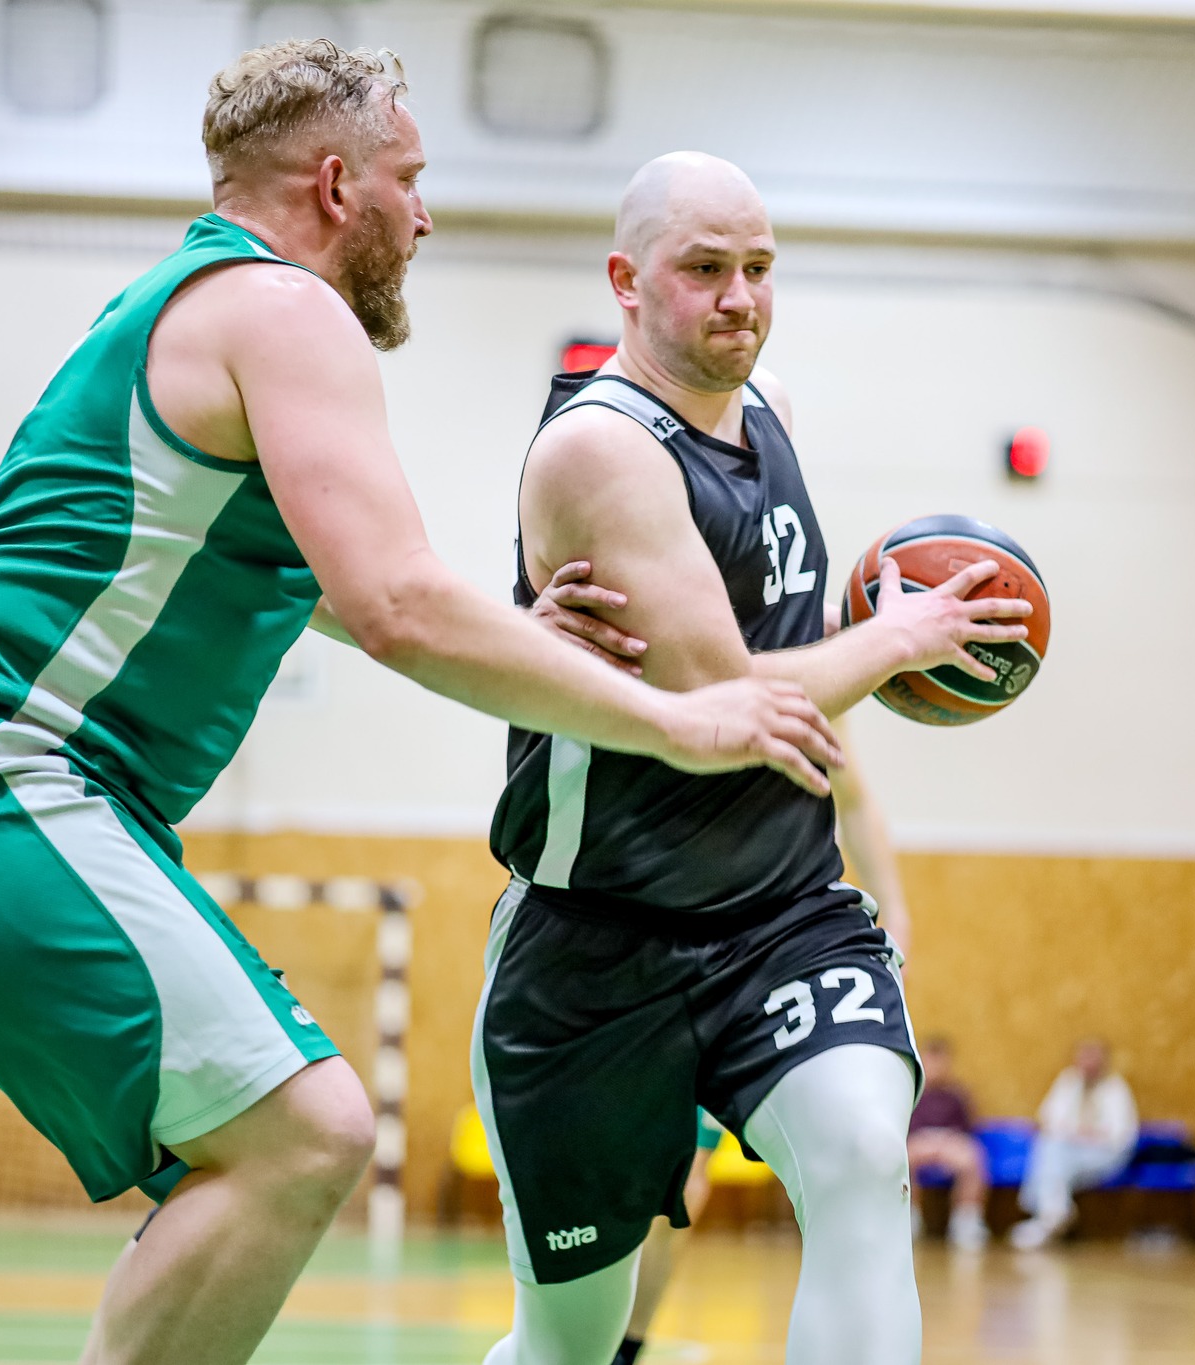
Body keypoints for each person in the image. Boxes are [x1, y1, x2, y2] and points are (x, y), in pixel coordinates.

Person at [0, 45, 840, 1365]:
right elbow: (399, 601)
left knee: (279, 1138)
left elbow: (316, 581)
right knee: (305, 1131)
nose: (426, 215)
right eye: (411, 179)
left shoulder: (184, 298)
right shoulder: (284, 310)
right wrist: (682, 721)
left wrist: (517, 639)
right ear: (339, 185)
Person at [476, 150, 1032, 1365]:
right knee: (572, 1344)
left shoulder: (765, 404)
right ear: (625, 281)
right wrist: (898, 638)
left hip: (779, 913)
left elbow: (790, 686)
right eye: (703, 269)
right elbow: (720, 696)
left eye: (759, 267)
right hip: (594, 943)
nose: (739, 296)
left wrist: (873, 639)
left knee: (859, 1159)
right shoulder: (598, 450)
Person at [616, 704, 915, 1365]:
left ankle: (626, 1349)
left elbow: (852, 795)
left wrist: (896, 913)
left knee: (686, 1190)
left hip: (761, 951)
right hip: (643, 941)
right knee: (635, 1190)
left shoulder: (807, 668)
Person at [1009, 1038, 1137, 1251]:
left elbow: (1122, 1135)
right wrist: (1072, 1132)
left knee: (1051, 1155)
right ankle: (1054, 1214)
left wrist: (1088, 1134)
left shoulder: (1115, 1088)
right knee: (1049, 1147)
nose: (1088, 1063)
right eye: (1084, 1057)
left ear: (1104, 1060)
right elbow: (1047, 1120)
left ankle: (1050, 1217)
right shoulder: (1068, 1082)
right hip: (1066, 1150)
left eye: (1093, 1057)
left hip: (1103, 1154)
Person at [907, 1037, 988, 1252]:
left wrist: (945, 1141)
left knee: (972, 1158)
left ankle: (966, 1221)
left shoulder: (957, 1095)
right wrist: (928, 1141)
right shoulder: (911, 1091)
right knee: (902, 1158)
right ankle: (908, 1218)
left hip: (950, 1143)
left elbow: (967, 1129)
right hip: (920, 1143)